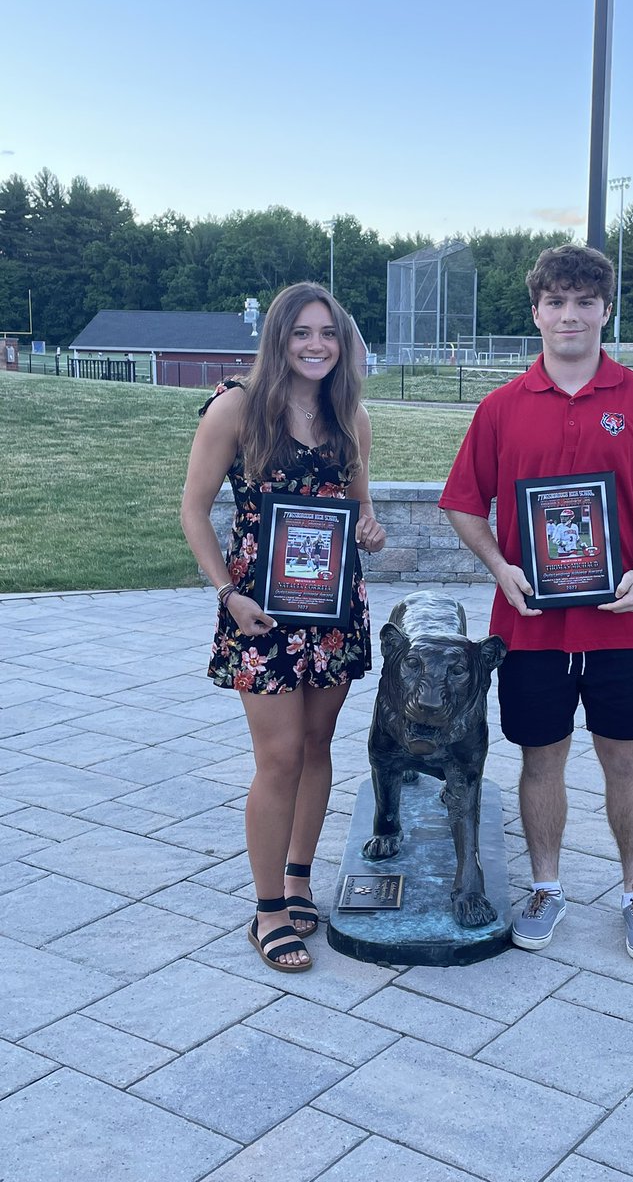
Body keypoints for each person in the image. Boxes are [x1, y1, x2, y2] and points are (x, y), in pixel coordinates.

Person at [439, 244, 633, 962]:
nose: (570, 315)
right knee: (540, 760)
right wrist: (500, 567)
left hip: (622, 623)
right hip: (530, 627)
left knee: (625, 757)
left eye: (585, 301)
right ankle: (547, 886)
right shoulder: (500, 408)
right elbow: (463, 504)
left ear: (605, 308)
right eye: (556, 302)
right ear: (536, 312)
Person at [181, 282, 386, 972]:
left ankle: (299, 877)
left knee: (320, 742)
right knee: (278, 757)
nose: (316, 345)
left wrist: (371, 527)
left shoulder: (349, 414)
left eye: (328, 333)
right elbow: (192, 510)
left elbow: (358, 510)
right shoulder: (237, 407)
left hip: (331, 611)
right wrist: (226, 593)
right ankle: (268, 908)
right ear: (278, 338)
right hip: (259, 613)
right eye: (302, 333)